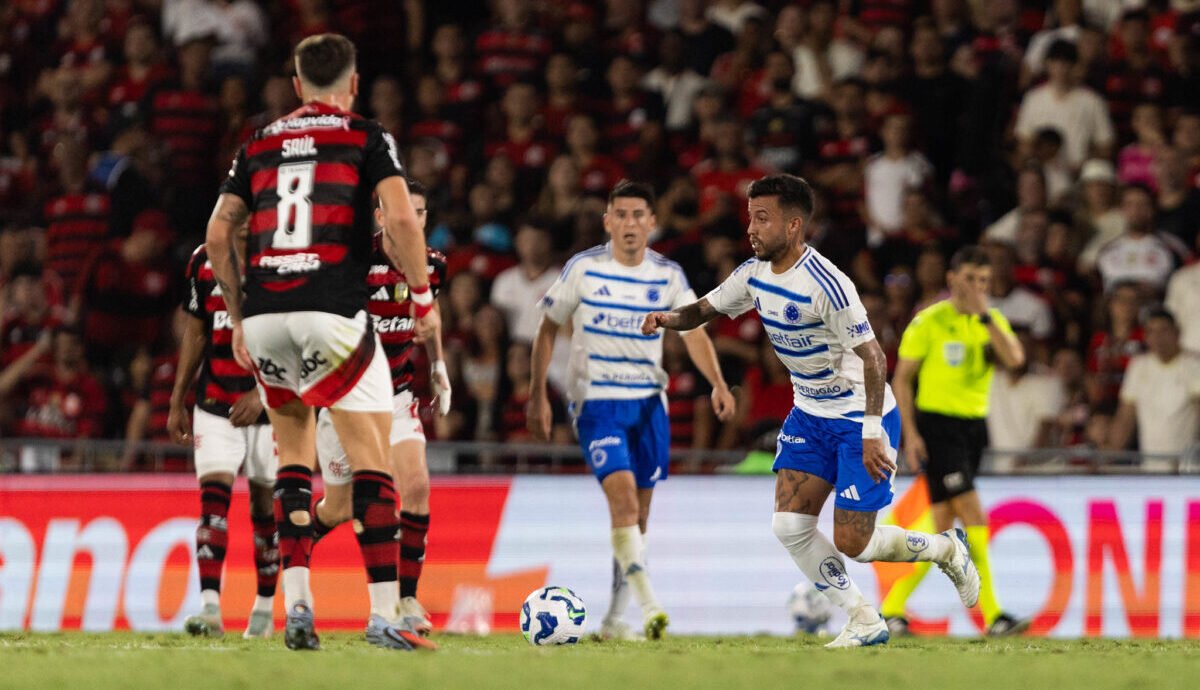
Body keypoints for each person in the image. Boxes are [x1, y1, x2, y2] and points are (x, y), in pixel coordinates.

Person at [641, 174, 979, 649]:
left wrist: (870, 432)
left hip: (860, 417)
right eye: (750, 218)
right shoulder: (753, 274)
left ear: (793, 225)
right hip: (809, 414)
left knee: (856, 544)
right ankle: (863, 618)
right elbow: (703, 310)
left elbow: (875, 359)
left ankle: (946, 549)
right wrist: (667, 318)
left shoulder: (828, 284)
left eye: (762, 218)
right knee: (789, 525)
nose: (750, 229)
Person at [204, 33, 438, 652]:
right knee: (371, 459)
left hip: (265, 315)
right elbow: (402, 218)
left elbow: (219, 231)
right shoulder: (365, 136)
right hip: (332, 308)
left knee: (293, 457)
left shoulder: (258, 141)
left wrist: (237, 315)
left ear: (297, 84)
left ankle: (298, 607)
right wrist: (421, 298)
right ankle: (385, 615)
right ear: (354, 84)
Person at [528, 180, 735, 641]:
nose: (629, 223)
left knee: (638, 518)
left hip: (648, 406)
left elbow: (694, 333)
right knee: (622, 502)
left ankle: (615, 620)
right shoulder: (584, 268)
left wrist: (718, 383)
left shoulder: (668, 275)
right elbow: (547, 329)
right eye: (620, 214)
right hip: (597, 404)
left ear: (652, 222)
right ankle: (651, 606)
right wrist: (536, 393)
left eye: (638, 215)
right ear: (608, 221)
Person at [311, 180, 450, 635]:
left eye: (421, 212)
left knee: (415, 487)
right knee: (339, 508)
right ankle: (290, 547)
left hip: (397, 394)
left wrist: (438, 366)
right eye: (404, 211)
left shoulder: (432, 264)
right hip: (348, 397)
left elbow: (429, 318)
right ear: (381, 216)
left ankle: (405, 601)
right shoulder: (354, 261)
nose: (413, 220)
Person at [888, 245, 1029, 637]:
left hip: (973, 430)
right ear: (952, 280)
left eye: (984, 280)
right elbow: (902, 379)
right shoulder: (929, 321)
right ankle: (994, 615)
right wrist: (910, 434)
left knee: (941, 526)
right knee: (973, 515)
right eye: (970, 278)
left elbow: (1015, 359)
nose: (977, 287)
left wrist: (985, 316)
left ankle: (891, 609)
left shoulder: (990, 321)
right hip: (937, 427)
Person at [168, 225, 279, 640]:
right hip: (215, 400)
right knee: (212, 501)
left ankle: (264, 609)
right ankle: (210, 608)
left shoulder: (282, 260)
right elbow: (197, 330)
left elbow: (295, 339)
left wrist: (262, 394)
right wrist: (177, 398)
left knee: (265, 509)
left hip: (274, 407)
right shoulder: (203, 260)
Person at [1106, 309, 1200, 471]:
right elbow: (1126, 418)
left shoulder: (1193, 365)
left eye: (1164, 330)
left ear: (1177, 332)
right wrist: (1107, 457)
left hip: (1188, 466)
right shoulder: (1138, 366)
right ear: (1145, 336)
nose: (1158, 338)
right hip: (1150, 466)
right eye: (1151, 332)